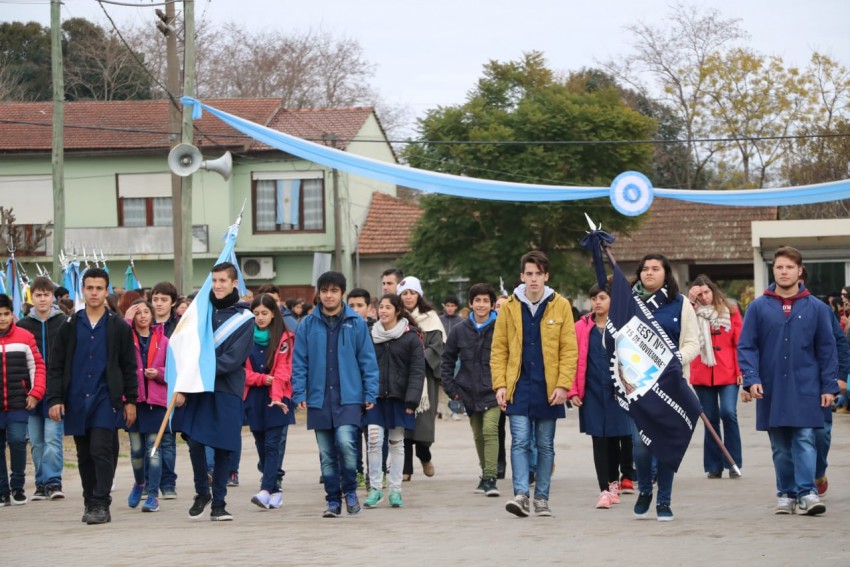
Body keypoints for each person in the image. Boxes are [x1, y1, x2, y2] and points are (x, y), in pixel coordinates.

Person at [738, 247, 839, 516]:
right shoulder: (758, 307)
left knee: (805, 438)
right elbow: (747, 346)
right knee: (780, 446)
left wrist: (829, 385)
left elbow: (827, 349)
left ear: (800, 271)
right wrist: (751, 379)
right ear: (774, 271)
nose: (784, 272)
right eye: (780, 267)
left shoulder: (816, 308)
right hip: (771, 386)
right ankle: (786, 493)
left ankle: (807, 492)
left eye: (789, 267)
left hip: (807, 385)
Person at [46, 267, 138, 525]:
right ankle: (89, 500)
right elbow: (56, 364)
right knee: (84, 454)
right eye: (90, 288)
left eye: (99, 288)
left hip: (105, 398)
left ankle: (101, 502)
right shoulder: (69, 325)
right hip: (76, 398)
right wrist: (55, 399)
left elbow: (129, 365)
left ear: (106, 291)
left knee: (102, 450)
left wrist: (130, 400)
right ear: (83, 290)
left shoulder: (118, 326)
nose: (94, 293)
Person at [491, 250, 578, 518]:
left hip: (548, 387)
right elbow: (499, 348)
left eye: (538, 274)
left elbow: (569, 349)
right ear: (521, 276)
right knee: (519, 441)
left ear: (546, 276)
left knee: (545, 445)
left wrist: (564, 384)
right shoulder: (509, 307)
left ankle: (541, 498)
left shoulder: (560, 304)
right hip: (518, 386)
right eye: (529, 274)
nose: (533, 279)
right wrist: (500, 385)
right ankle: (520, 495)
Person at [291, 271, 379, 517]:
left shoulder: (356, 322)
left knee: (346, 443)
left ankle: (350, 491)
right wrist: (300, 392)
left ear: (342, 293)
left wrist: (370, 393)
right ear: (318, 293)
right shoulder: (307, 324)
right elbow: (299, 362)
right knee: (327, 453)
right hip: (320, 398)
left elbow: (367, 361)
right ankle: (332, 500)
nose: (328, 295)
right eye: (324, 291)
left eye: (334, 291)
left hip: (349, 397)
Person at [173, 262, 255, 522]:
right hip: (198, 388)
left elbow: (234, 359)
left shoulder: (245, 319)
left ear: (234, 284)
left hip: (226, 388)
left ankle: (219, 502)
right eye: (215, 280)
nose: (218, 285)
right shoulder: (200, 312)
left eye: (223, 281)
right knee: (195, 440)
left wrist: (199, 369)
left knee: (222, 447)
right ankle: (201, 491)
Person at [628, 254, 699, 521]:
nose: (649, 273)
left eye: (655, 269)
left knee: (666, 445)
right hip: (637, 386)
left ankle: (664, 501)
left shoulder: (679, 304)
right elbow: (613, 339)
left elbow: (693, 343)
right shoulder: (628, 304)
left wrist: (675, 360)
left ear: (665, 273)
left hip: (670, 386)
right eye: (644, 269)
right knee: (641, 444)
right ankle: (645, 489)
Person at [568, 278, 634, 509]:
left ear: (612, 300)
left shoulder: (623, 326)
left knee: (616, 438)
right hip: (592, 391)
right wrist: (573, 390)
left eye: (602, 298)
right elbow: (572, 358)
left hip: (618, 391)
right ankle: (604, 489)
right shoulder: (581, 326)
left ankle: (614, 483)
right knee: (599, 439)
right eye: (594, 298)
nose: (597, 302)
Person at [363, 293, 425, 509]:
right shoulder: (369, 334)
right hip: (375, 398)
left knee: (396, 444)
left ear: (398, 310)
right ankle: (375, 489)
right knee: (373, 441)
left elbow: (418, 371)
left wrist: (412, 401)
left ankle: (396, 491)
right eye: (381, 307)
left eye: (388, 307)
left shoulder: (411, 337)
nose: (383, 311)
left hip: (401, 399)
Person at [441, 283, 501, 497]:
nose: (481, 304)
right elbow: (447, 360)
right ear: (470, 303)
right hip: (468, 391)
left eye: (486, 300)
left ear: (492, 304)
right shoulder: (460, 330)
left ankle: (491, 478)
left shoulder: (501, 326)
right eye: (477, 300)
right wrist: (452, 389)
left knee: (489, 430)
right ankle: (485, 475)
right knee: (478, 435)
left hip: (494, 390)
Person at [688, 274, 743, 479]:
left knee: (728, 413)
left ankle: (733, 461)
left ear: (713, 290)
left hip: (728, 371)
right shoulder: (689, 312)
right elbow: (679, 330)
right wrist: (690, 302)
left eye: (706, 292)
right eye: (699, 293)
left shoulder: (730, 310)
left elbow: (740, 342)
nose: (704, 296)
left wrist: (740, 371)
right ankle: (714, 465)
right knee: (710, 419)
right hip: (702, 372)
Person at [245, 294, 296, 510]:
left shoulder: (284, 338)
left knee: (273, 444)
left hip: (279, 396)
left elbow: (284, 370)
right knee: (261, 445)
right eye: (256, 314)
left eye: (264, 313)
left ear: (273, 313)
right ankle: (275, 490)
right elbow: (241, 373)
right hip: (255, 396)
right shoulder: (245, 338)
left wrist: (276, 396)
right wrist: (262, 379)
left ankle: (265, 490)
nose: (260, 317)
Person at [18, 276, 66, 501]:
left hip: (55, 392)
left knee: (53, 438)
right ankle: (40, 483)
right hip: (31, 394)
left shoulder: (64, 322)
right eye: (38, 295)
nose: (43, 299)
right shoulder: (23, 326)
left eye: (47, 294)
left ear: (52, 297)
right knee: (36, 442)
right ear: (32, 297)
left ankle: (54, 481)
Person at [123, 299, 170, 513]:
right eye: (137, 312)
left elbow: (172, 371)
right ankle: (139, 483)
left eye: (146, 312)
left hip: (155, 402)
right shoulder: (126, 338)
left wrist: (158, 373)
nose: (142, 316)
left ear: (152, 315)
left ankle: (152, 494)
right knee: (136, 451)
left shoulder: (164, 341)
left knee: (154, 451)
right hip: (134, 401)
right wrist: (126, 320)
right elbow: (115, 356)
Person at [0, 293, 47, 506]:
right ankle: (2, 490)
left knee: (18, 441)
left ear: (12, 314)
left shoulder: (25, 336)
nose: (2, 318)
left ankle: (17, 486)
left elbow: (37, 366)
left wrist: (36, 393)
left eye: (6, 314)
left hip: (19, 402)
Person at [397, 276, 445, 480]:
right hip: (401, 375)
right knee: (403, 423)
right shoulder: (396, 317)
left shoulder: (430, 317)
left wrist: (417, 359)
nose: (408, 297)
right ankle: (406, 469)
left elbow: (438, 346)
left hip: (425, 375)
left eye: (412, 292)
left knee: (424, 423)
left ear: (419, 295)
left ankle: (424, 454)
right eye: (404, 293)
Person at [149, 281, 180, 499]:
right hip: (146, 392)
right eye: (155, 299)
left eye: (164, 300)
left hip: (169, 388)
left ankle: (168, 483)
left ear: (173, 303)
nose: (159, 304)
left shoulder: (179, 327)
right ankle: (148, 481)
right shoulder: (144, 324)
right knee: (146, 439)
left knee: (167, 439)